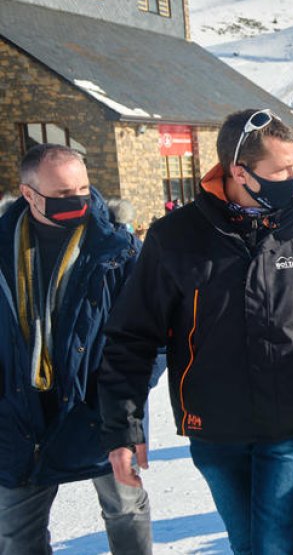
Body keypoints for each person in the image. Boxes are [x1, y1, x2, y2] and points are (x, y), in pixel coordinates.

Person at [97, 109, 293, 555]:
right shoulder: (175, 237)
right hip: (215, 426)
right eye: (281, 169)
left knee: (276, 542)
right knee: (246, 544)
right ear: (241, 172)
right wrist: (122, 429)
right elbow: (131, 338)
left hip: (291, 419)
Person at [0, 144, 151, 555]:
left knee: (126, 510)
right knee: (15, 533)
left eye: (84, 188)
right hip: (21, 416)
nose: (79, 201)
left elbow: (149, 338)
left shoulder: (117, 250)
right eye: (64, 194)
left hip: (101, 407)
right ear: (28, 194)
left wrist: (124, 409)